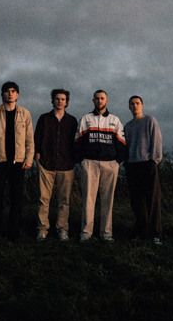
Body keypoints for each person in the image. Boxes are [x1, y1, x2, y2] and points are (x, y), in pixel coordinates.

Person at [0, 81, 34, 241]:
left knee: (16, 199)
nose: (10, 94)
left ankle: (14, 233)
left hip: (18, 162)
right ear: (2, 94)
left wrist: (29, 158)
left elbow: (29, 139)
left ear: (17, 95)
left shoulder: (25, 114)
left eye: (13, 91)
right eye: (7, 91)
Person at [75, 89, 126, 242]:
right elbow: (77, 142)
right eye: (97, 98)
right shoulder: (86, 119)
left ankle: (106, 233)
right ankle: (86, 233)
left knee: (107, 200)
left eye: (102, 98)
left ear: (106, 101)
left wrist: (117, 161)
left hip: (110, 164)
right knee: (88, 200)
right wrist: (82, 160)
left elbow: (122, 143)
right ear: (93, 100)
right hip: (89, 163)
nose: (99, 101)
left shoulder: (114, 120)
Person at [34, 89, 78, 242]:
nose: (60, 101)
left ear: (67, 102)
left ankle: (62, 229)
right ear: (52, 101)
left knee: (64, 200)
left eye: (63, 99)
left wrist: (74, 159)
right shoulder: (44, 119)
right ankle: (42, 229)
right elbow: (37, 138)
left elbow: (76, 142)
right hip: (46, 163)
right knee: (43, 199)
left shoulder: (72, 121)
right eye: (57, 99)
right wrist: (37, 154)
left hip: (66, 165)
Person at [123, 95, 163, 245]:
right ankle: (141, 230)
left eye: (137, 103)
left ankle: (155, 233)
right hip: (132, 165)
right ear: (129, 106)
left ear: (142, 105)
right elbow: (125, 146)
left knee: (152, 200)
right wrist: (126, 162)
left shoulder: (150, 121)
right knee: (137, 201)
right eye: (132, 104)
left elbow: (157, 141)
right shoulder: (127, 126)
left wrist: (154, 161)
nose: (135, 106)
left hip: (148, 164)